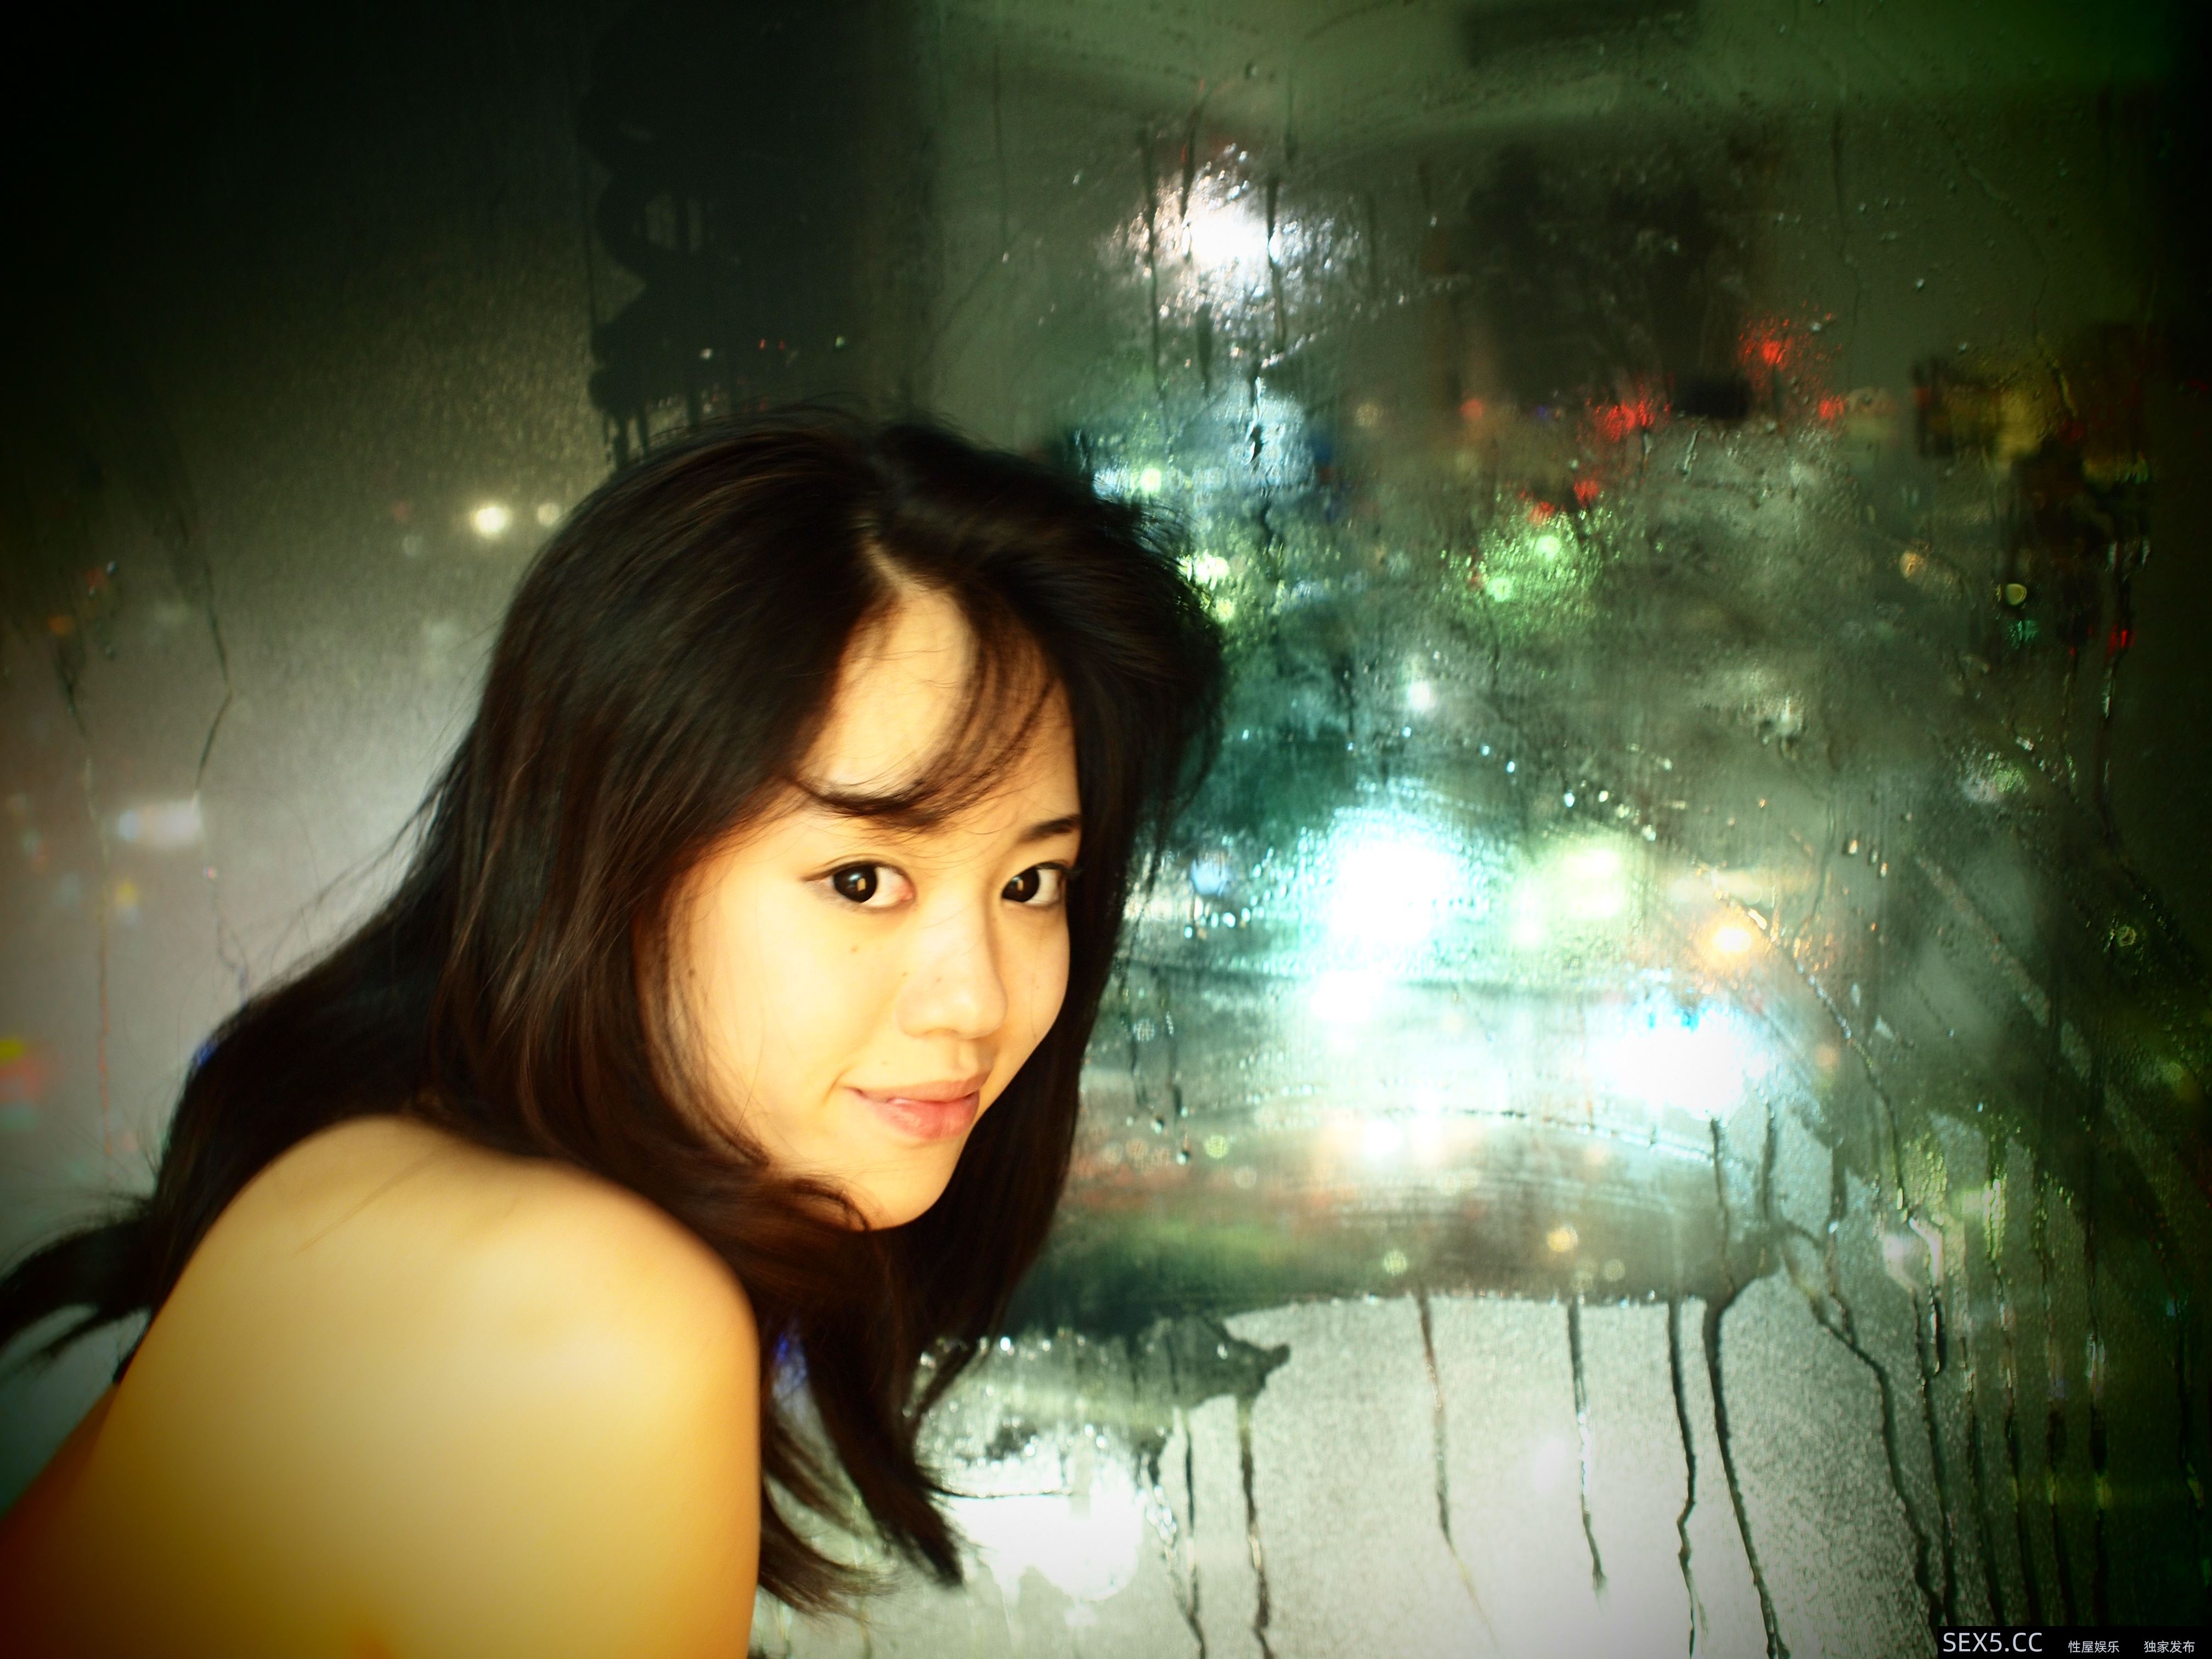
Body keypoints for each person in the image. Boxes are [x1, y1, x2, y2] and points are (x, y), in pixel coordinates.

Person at [0, 414, 1225, 1657]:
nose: (977, 1002)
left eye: (1031, 883)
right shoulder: (600, 1309)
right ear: (617, 869)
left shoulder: (373, 1169)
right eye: (863, 880)